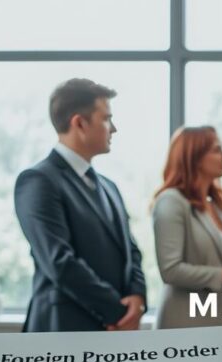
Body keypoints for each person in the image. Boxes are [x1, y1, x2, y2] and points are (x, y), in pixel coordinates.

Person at [14, 78, 146, 332]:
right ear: (79, 123)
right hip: (63, 332)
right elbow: (60, 262)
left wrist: (137, 299)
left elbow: (131, 251)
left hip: (112, 334)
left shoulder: (109, 186)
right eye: (106, 118)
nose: (114, 128)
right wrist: (117, 312)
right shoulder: (39, 180)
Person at [152, 126, 222, 328]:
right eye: (217, 150)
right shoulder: (171, 201)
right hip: (185, 324)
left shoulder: (215, 206)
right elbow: (170, 270)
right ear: (194, 156)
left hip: (221, 321)